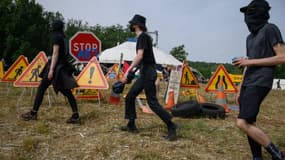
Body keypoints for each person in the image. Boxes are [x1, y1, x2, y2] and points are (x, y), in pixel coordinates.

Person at [233, 0, 285, 159]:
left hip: (261, 80)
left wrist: (249, 61)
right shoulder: (249, 37)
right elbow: (247, 64)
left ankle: (277, 154)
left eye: (251, 12)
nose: (247, 17)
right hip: (248, 82)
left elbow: (282, 57)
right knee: (250, 122)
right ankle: (257, 157)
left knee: (242, 122)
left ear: (261, 12)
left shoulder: (270, 29)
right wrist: (240, 88)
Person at [120, 14, 178, 141]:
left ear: (136, 25)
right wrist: (134, 70)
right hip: (145, 72)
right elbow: (143, 59)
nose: (130, 25)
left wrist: (127, 70)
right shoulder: (144, 37)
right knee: (130, 96)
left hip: (148, 73)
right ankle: (131, 124)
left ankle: (172, 125)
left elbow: (140, 56)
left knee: (152, 102)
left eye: (132, 23)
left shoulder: (142, 37)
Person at [21, 20, 80, 124]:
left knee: (53, 89)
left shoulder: (56, 37)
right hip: (61, 66)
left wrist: (51, 70)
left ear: (54, 27)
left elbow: (55, 53)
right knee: (58, 90)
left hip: (56, 67)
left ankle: (33, 113)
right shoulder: (63, 37)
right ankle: (75, 115)